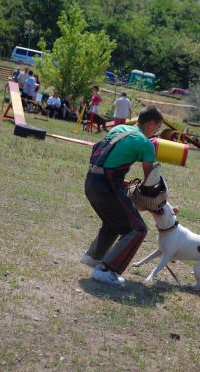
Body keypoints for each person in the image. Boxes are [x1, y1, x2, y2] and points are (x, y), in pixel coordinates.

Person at [81, 105, 164, 286]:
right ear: (151, 124)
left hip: (91, 182)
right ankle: (106, 270)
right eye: (157, 128)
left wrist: (120, 183)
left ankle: (93, 257)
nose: (156, 133)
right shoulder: (145, 143)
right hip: (106, 188)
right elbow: (150, 179)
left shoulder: (120, 128)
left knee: (115, 221)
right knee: (138, 229)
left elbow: (107, 157)